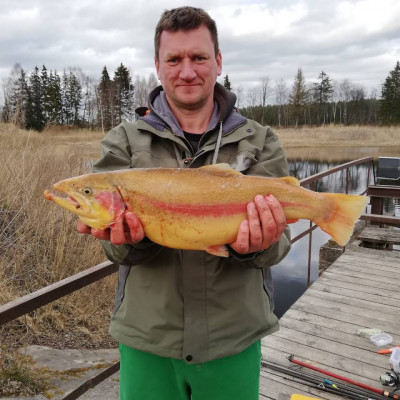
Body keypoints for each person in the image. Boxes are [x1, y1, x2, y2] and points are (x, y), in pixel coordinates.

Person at [78, 6, 291, 400]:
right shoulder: (123, 142)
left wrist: (255, 245)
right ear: (158, 66)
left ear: (219, 62)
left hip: (234, 340)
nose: (187, 71)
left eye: (199, 57)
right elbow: (113, 248)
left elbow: (279, 247)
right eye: (174, 59)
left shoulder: (260, 140)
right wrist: (131, 240)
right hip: (148, 340)